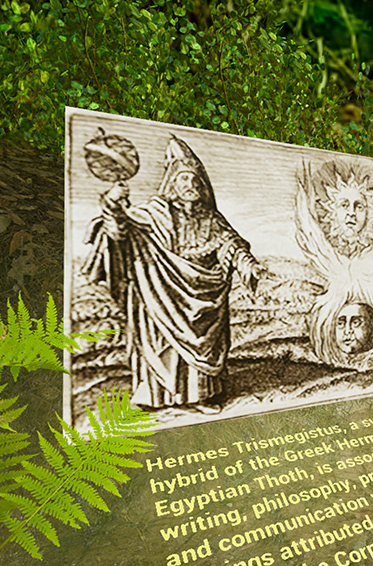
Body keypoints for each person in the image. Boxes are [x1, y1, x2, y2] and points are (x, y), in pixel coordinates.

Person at [81, 135, 265, 413]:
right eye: (183, 180)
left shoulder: (211, 217)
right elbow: (120, 232)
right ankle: (154, 397)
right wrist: (113, 205)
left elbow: (232, 244)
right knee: (160, 342)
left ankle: (200, 396)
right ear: (172, 184)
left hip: (204, 295)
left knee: (203, 342)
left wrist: (248, 264)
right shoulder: (155, 212)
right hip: (160, 291)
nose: (190, 186)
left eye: (195, 181)